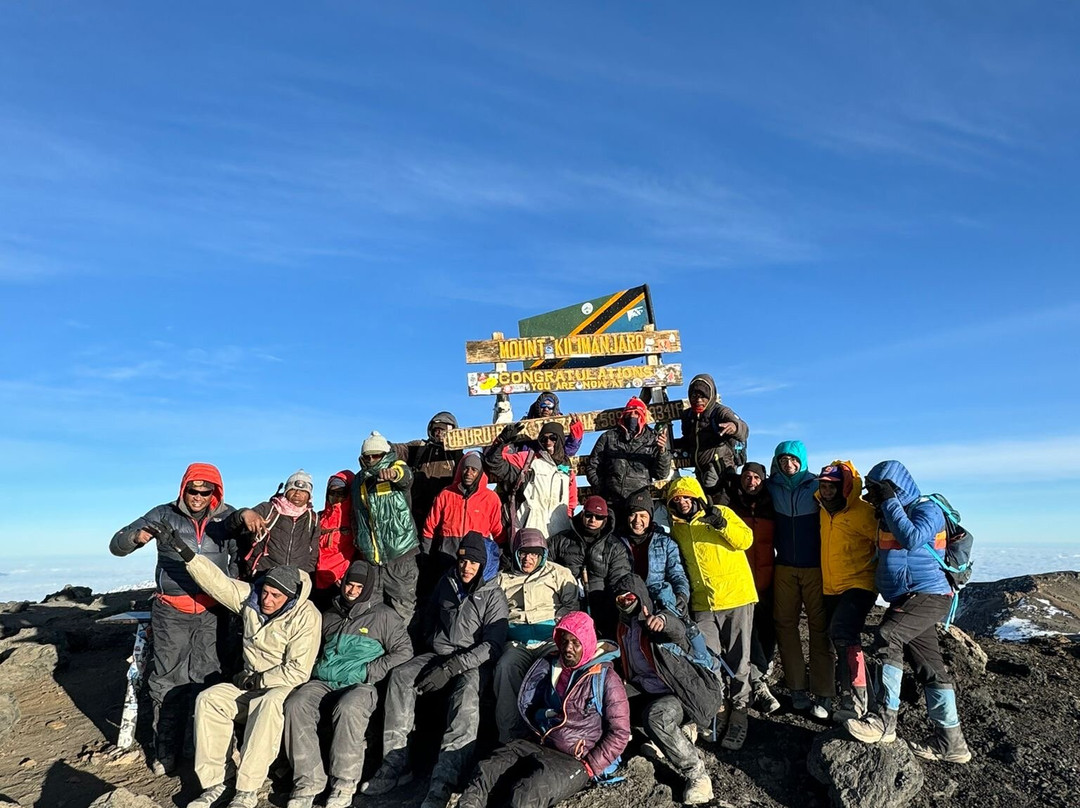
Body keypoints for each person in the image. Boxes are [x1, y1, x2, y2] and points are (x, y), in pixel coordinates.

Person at [147, 524, 320, 808]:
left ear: (290, 598)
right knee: (210, 699)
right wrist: (186, 553)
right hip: (248, 683)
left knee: (266, 706)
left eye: (275, 596)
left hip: (282, 688)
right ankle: (217, 781)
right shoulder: (252, 599)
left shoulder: (306, 616)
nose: (266, 600)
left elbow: (298, 670)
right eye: (265, 592)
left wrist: (259, 681)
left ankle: (247, 790)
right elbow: (218, 583)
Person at [109, 463, 250, 775]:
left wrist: (232, 586)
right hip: (171, 611)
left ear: (215, 492)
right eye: (193, 490)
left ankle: (201, 747)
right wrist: (137, 537)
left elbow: (240, 552)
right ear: (183, 488)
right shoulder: (163, 514)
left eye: (205, 491)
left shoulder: (226, 517)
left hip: (213, 611)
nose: (198, 497)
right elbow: (116, 545)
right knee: (168, 680)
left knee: (208, 679)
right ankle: (166, 749)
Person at [361, 533, 509, 808]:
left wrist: (454, 666)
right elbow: (430, 613)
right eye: (462, 560)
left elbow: (492, 645)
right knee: (401, 676)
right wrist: (430, 640)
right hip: (437, 654)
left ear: (483, 564)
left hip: (470, 663)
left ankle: (443, 782)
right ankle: (395, 764)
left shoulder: (493, 596)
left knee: (466, 698)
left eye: (473, 562)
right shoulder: (448, 581)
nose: (466, 567)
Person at [845, 461, 972, 764]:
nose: (873, 495)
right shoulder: (888, 515)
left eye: (877, 489)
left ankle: (883, 721)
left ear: (894, 487)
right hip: (908, 596)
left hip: (929, 594)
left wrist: (890, 501)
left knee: (888, 635)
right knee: (928, 664)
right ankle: (952, 743)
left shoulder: (928, 509)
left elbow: (912, 538)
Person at [457, 611, 630, 808]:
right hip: (540, 742)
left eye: (576, 642)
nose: (568, 648)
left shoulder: (606, 678)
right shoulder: (550, 666)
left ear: (588, 642)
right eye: (564, 641)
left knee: (529, 791)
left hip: (576, 759)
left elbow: (620, 733)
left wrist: (591, 765)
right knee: (489, 768)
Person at [282, 560, 412, 808]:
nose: (352, 591)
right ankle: (308, 782)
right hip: (324, 681)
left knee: (349, 707)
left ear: (368, 588)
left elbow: (404, 651)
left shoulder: (383, 615)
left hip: (361, 685)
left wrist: (368, 671)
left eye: (359, 587)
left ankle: (344, 783)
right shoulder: (329, 615)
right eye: (349, 585)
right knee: (295, 704)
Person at [663, 475, 756, 750]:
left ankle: (740, 709)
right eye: (676, 499)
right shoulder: (677, 528)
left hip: (736, 596)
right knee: (708, 658)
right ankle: (718, 705)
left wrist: (721, 524)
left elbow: (746, 540)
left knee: (739, 657)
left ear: (696, 497)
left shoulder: (721, 512)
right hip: (703, 604)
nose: (682, 502)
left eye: (686, 497)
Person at [613, 577, 715, 805]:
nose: (625, 602)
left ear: (640, 597)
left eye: (629, 597)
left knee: (657, 717)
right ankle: (615, 758)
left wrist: (662, 621)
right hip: (644, 688)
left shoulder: (655, 618)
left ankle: (698, 775)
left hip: (676, 692)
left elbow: (676, 630)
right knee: (606, 698)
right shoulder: (623, 627)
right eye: (620, 599)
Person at [493, 528, 579, 743]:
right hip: (517, 642)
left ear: (543, 555)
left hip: (550, 639)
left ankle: (557, 730)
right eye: (523, 553)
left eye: (534, 554)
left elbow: (572, 607)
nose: (528, 559)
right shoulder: (503, 579)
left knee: (558, 667)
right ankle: (510, 736)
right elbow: (494, 611)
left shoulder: (558, 574)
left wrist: (557, 621)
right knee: (505, 667)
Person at [767, 440, 832, 718]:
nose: (788, 464)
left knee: (820, 628)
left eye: (793, 459)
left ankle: (824, 692)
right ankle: (797, 688)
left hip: (815, 567)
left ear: (802, 460)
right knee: (785, 626)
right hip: (784, 566)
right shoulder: (771, 486)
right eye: (783, 460)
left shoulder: (816, 485)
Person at [816, 461, 878, 722]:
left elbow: (885, 542)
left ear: (844, 487)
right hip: (831, 586)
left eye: (833, 486)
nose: (827, 490)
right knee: (840, 640)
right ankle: (851, 697)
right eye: (823, 485)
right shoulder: (822, 509)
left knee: (843, 633)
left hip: (860, 583)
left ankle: (857, 702)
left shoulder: (864, 512)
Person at [723, 462, 781, 714]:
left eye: (756, 478)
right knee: (750, 629)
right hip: (742, 579)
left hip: (768, 575)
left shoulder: (771, 504)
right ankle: (756, 675)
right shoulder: (733, 504)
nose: (752, 482)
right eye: (747, 477)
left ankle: (764, 666)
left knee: (769, 625)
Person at [351, 431, 421, 624]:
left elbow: (405, 477)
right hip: (372, 558)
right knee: (370, 611)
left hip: (401, 555)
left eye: (376, 455)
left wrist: (394, 474)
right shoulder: (358, 480)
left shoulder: (396, 468)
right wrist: (359, 540)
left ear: (385, 454)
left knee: (403, 609)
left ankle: (404, 643)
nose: (371, 460)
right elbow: (356, 515)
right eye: (367, 456)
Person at [548, 496, 632, 638]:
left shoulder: (615, 547)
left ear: (605, 519)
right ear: (582, 514)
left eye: (599, 517)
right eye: (589, 515)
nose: (593, 520)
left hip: (602, 606)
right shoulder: (561, 540)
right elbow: (545, 566)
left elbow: (620, 580)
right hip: (566, 602)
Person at [483, 420, 577, 538]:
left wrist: (567, 520)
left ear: (561, 439)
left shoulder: (567, 467)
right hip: (529, 532)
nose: (548, 442)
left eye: (553, 438)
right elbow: (494, 462)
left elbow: (571, 501)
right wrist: (502, 441)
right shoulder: (528, 459)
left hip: (559, 534)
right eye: (543, 439)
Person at [585, 396, 673, 515]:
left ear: (642, 416)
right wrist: (602, 488)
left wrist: (662, 451)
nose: (632, 416)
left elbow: (661, 474)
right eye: (629, 413)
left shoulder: (653, 439)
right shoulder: (609, 437)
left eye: (636, 413)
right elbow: (592, 465)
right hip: (611, 501)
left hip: (639, 502)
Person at [614, 488, 690, 618]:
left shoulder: (666, 542)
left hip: (660, 605)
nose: (637, 521)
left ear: (650, 517)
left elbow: (677, 574)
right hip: (629, 606)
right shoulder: (617, 543)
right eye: (633, 514)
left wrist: (682, 595)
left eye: (643, 516)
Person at [422, 453, 505, 569]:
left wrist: (500, 555)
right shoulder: (446, 494)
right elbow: (430, 526)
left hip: (476, 555)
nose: (468, 473)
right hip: (447, 552)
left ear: (480, 473)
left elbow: (497, 530)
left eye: (474, 470)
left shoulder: (491, 498)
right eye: (466, 468)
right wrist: (426, 553)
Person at [675, 374, 749, 501]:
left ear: (711, 395)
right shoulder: (688, 416)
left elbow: (744, 429)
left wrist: (734, 427)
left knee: (722, 509)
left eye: (703, 396)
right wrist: (668, 444)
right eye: (694, 396)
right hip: (700, 474)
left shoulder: (720, 412)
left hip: (723, 474)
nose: (698, 400)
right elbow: (687, 441)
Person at [236, 470, 320, 580]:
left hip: (294, 580)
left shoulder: (313, 518)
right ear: (285, 491)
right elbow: (233, 526)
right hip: (262, 576)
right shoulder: (267, 509)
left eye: (303, 491)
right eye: (293, 489)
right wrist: (243, 513)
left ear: (309, 495)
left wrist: (305, 575)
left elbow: (313, 554)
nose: (297, 494)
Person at [392, 411, 463, 527]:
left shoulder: (457, 454)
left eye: (443, 430)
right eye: (436, 430)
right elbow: (401, 450)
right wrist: (385, 446)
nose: (439, 433)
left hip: (445, 514)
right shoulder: (420, 447)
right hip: (418, 512)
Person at [312, 471, 356, 611]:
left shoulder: (355, 519)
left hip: (341, 581)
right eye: (332, 492)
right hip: (317, 579)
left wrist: (351, 577)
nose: (336, 497)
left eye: (341, 492)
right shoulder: (319, 518)